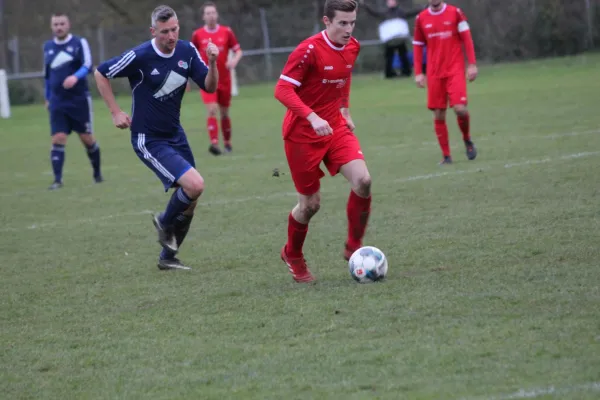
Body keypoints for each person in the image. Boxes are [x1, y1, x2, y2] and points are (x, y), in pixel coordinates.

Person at [94, 5, 219, 270]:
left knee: (191, 200)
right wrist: (115, 112)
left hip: (175, 134)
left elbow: (209, 85)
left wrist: (213, 63)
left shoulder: (187, 50)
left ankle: (167, 258)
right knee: (195, 185)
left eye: (174, 29)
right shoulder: (139, 56)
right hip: (148, 139)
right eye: (164, 32)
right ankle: (163, 221)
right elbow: (101, 72)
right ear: (153, 31)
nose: (171, 36)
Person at [274, 0, 372, 283]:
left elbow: (344, 77)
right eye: (342, 23)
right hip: (301, 135)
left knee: (363, 181)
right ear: (326, 21)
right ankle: (292, 254)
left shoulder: (353, 46)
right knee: (310, 205)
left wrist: (345, 109)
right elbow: (282, 90)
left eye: (352, 22)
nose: (348, 29)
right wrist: (312, 117)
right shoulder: (308, 50)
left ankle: (353, 245)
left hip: (335, 128)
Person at [412, 0, 478, 164]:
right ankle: (446, 156)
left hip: (454, 69)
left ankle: (467, 139)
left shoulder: (456, 13)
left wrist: (472, 64)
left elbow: (467, 39)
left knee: (460, 109)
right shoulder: (421, 18)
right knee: (439, 114)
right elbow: (418, 46)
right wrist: (419, 73)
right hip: (434, 73)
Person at [44, 12, 102, 190]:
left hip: (78, 100)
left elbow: (87, 65)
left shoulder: (79, 43)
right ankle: (57, 180)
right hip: (57, 102)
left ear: (68, 25)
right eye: (56, 24)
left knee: (87, 139)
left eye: (62, 23)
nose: (59, 27)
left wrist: (75, 77)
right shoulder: (47, 47)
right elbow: (46, 75)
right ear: (51, 26)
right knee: (58, 138)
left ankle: (97, 174)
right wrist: (47, 97)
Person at [191, 1, 243, 155]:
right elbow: (190, 54)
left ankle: (227, 143)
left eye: (213, 12)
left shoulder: (226, 32)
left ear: (217, 15)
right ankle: (214, 143)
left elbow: (238, 50)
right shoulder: (198, 34)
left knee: (225, 113)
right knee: (212, 110)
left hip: (225, 79)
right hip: (206, 79)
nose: (211, 16)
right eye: (208, 13)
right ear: (203, 17)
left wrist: (233, 61)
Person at [360, 0, 422, 78]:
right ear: (387, 3)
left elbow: (412, 13)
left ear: (396, 2)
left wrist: (423, 8)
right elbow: (374, 13)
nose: (391, 2)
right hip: (389, 40)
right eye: (390, 1)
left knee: (403, 55)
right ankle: (389, 73)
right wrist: (365, 6)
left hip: (400, 38)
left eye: (393, 1)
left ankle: (406, 71)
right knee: (389, 57)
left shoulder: (400, 12)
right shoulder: (385, 13)